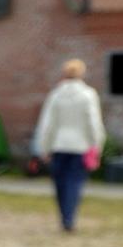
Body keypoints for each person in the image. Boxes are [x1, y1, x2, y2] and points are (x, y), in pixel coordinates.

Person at [33, 58, 106, 231]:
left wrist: (43, 147)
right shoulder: (88, 95)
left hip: (59, 145)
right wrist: (97, 145)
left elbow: (47, 124)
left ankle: (64, 216)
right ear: (82, 73)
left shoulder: (56, 94)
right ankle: (69, 218)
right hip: (80, 147)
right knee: (74, 183)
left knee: (60, 184)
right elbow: (93, 123)